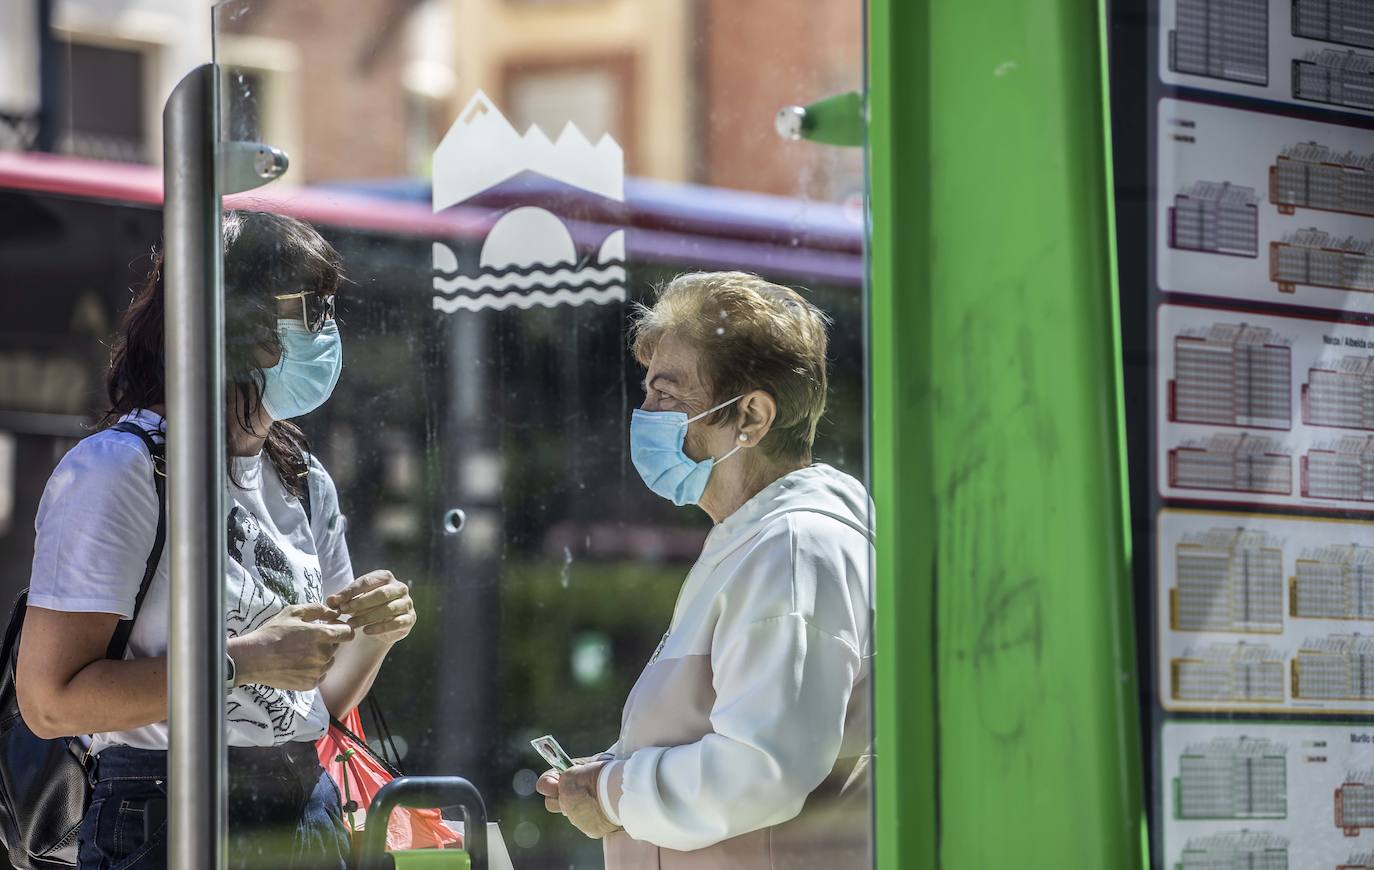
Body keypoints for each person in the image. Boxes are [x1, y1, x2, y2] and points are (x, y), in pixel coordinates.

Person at [17, 211, 418, 870]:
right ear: (238, 324)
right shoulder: (122, 468)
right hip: (163, 806)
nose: (327, 332)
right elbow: (51, 702)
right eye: (309, 309)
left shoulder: (302, 476)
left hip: (300, 804)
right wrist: (243, 660)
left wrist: (376, 631)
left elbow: (308, 704)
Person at [537, 271, 874, 868]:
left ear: (751, 417)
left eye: (668, 396)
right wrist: (611, 775)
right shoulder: (749, 540)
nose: (646, 414)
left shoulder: (793, 546)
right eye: (647, 393)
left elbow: (759, 768)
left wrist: (614, 794)